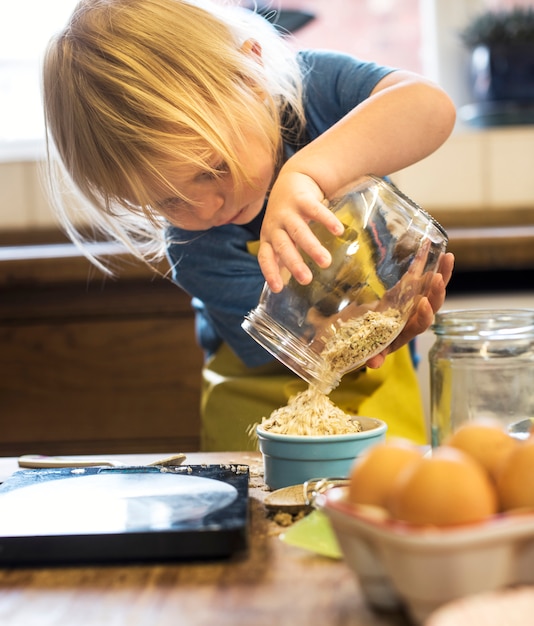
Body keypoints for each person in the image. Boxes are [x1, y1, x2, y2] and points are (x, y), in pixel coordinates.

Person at [42, 0, 456, 451]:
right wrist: (389, 329)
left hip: (386, 421)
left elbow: (430, 107)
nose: (205, 209)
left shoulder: (315, 90)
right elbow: (314, 351)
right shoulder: (194, 248)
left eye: (212, 168)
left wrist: (308, 173)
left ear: (250, 77)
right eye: (167, 200)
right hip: (256, 445)